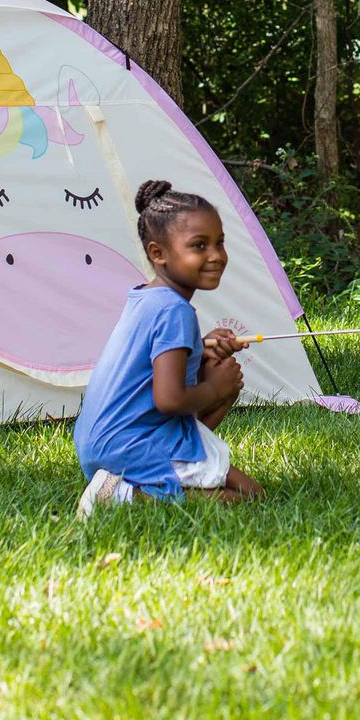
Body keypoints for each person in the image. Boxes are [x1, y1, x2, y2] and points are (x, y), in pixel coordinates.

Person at [74, 180, 265, 516]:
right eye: (199, 246)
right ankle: (123, 495)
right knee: (250, 495)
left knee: (219, 373)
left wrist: (202, 349)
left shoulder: (147, 298)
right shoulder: (175, 310)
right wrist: (216, 386)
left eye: (219, 243)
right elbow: (170, 400)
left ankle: (146, 482)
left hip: (100, 442)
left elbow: (155, 362)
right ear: (157, 253)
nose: (216, 256)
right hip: (129, 446)